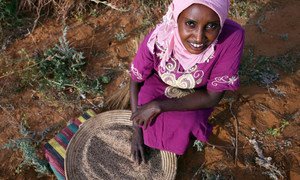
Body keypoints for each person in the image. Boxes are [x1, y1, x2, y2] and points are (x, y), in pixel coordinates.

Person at [130, 0, 244, 163]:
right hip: (159, 83)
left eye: (211, 26)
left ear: (221, 22)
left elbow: (212, 97)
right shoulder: (159, 38)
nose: (199, 37)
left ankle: (177, 144)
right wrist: (136, 131)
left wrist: (159, 106)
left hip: (198, 92)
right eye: (191, 23)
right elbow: (135, 80)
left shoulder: (232, 37)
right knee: (144, 110)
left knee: (188, 122)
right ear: (177, 18)